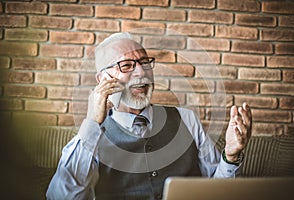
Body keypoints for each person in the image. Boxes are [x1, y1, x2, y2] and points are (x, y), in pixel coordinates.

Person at [46, 32, 252, 200]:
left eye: (144, 63)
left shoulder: (186, 119)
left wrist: (231, 156)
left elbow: (218, 192)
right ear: (103, 78)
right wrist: (91, 122)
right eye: (126, 65)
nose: (141, 73)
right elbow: (62, 197)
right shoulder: (90, 138)